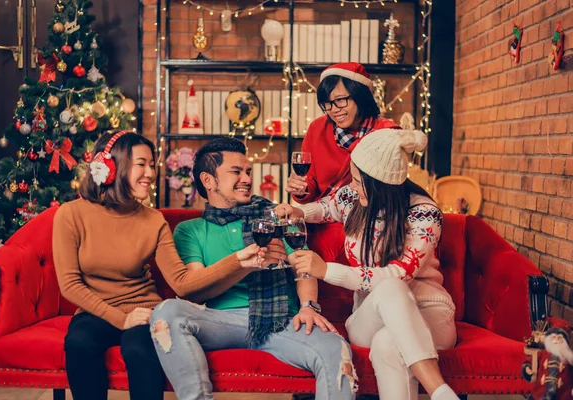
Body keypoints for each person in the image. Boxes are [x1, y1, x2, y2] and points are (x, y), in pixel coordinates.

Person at [53, 131, 268, 400]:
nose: (150, 173)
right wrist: (122, 319)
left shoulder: (154, 221)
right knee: (79, 343)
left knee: (140, 351)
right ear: (111, 166)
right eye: (141, 164)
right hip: (95, 312)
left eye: (152, 165)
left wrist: (236, 261)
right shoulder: (71, 214)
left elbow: (182, 282)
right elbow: (69, 285)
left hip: (144, 311)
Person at [150, 137, 358, 400]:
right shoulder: (190, 230)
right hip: (220, 321)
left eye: (247, 171)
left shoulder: (274, 215)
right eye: (236, 172)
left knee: (335, 347)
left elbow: (302, 264)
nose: (247, 178)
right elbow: (196, 290)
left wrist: (308, 306)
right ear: (208, 180)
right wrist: (244, 264)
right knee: (167, 313)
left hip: (279, 321)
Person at [281, 129, 460, 400]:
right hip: (369, 316)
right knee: (389, 293)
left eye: (357, 181)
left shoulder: (424, 214)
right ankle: (441, 392)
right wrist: (299, 212)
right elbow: (328, 207)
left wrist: (327, 270)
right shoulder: (355, 199)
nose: (351, 187)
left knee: (388, 340)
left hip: (430, 313)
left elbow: (399, 274)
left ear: (381, 184)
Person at [285, 62, 399, 265]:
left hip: (366, 225)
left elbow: (389, 192)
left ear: (360, 96)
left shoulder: (386, 132)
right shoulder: (317, 128)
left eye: (341, 101)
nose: (333, 110)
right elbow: (310, 182)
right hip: (319, 221)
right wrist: (300, 189)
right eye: (327, 104)